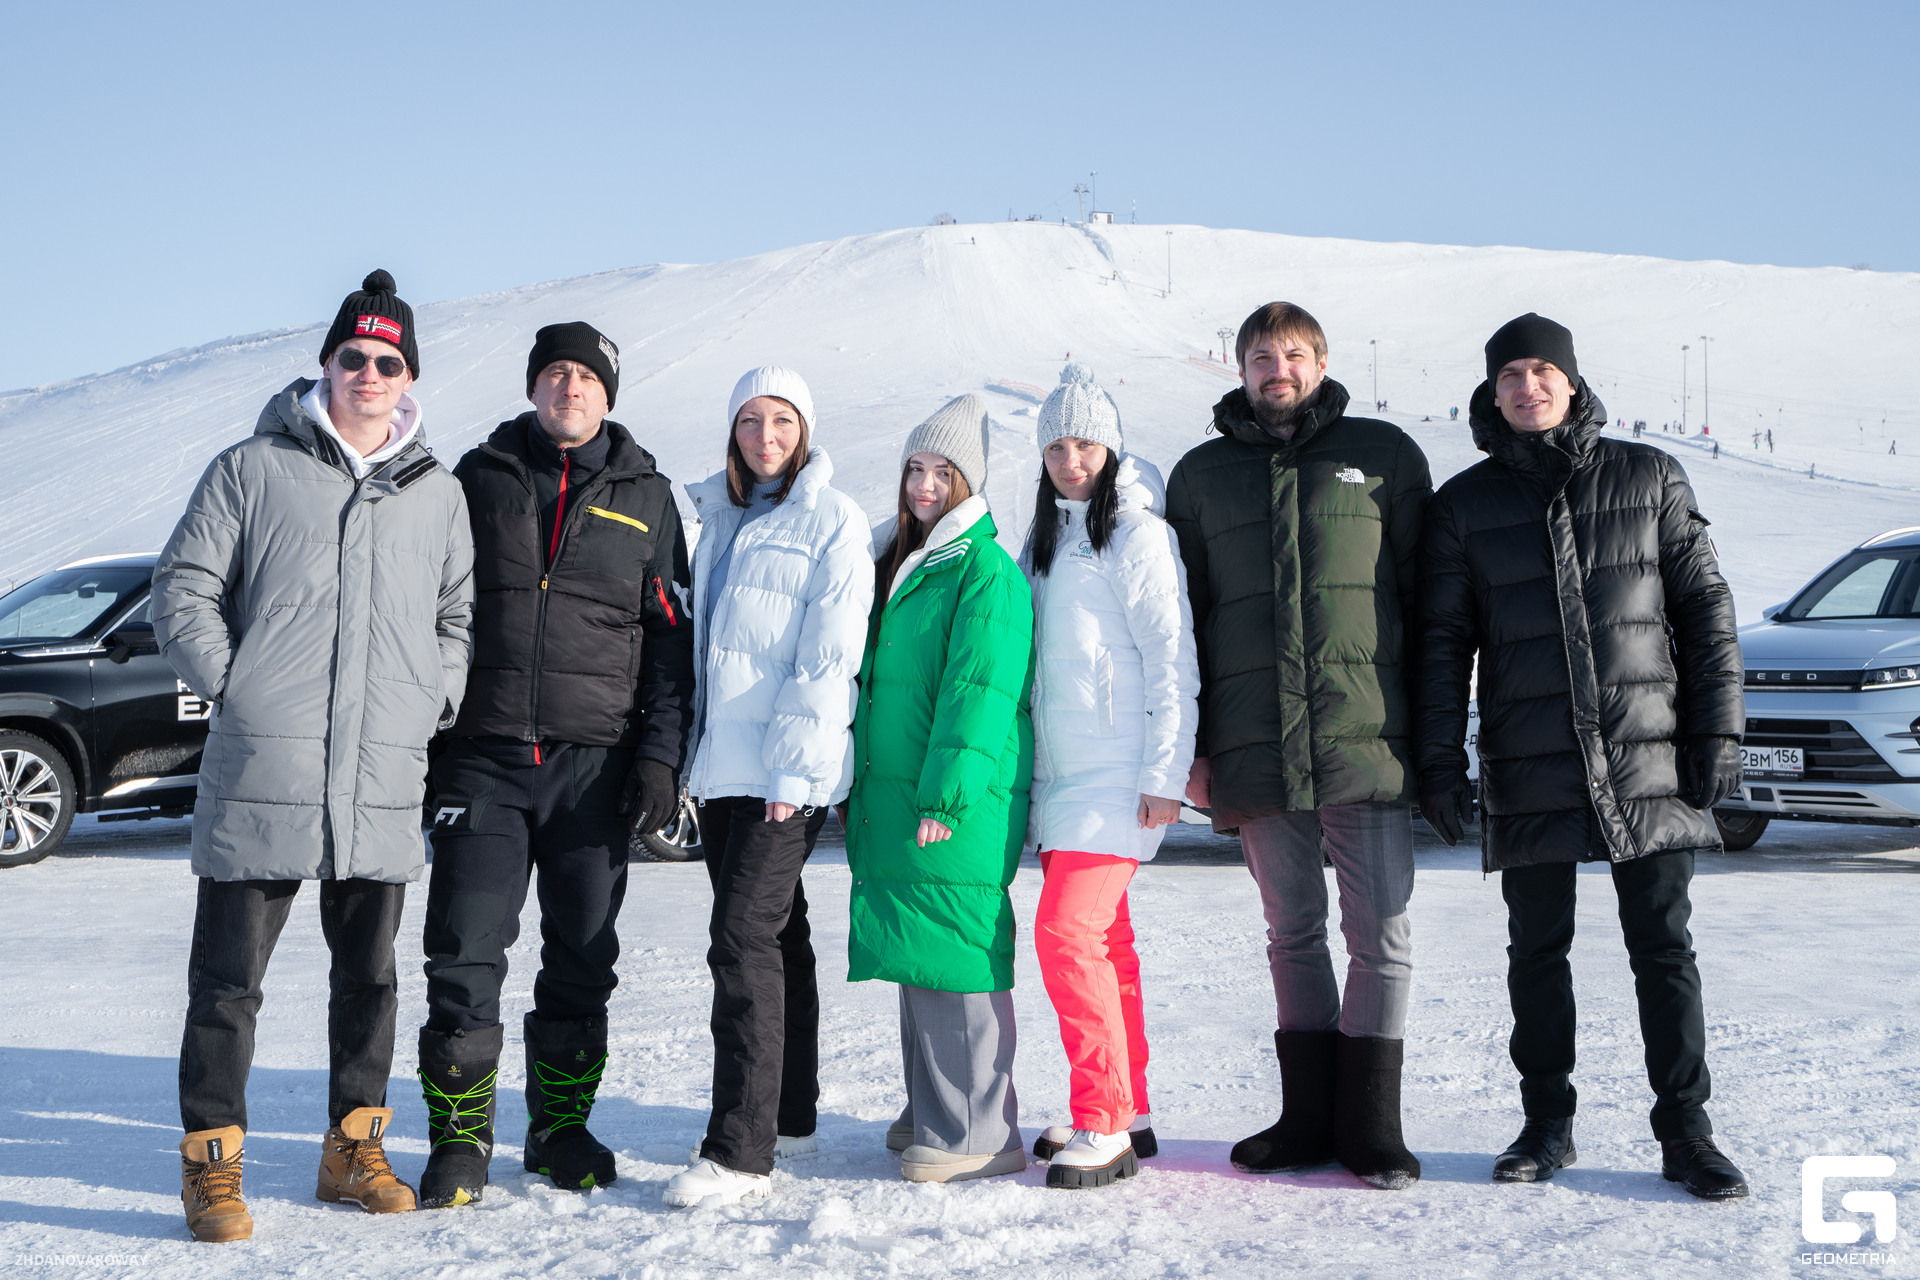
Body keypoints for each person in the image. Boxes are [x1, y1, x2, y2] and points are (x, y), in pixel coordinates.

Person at [155, 270, 474, 1240]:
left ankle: (352, 1150)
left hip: (380, 775)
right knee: (228, 983)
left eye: (388, 361)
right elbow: (182, 588)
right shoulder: (251, 469)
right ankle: (212, 1166)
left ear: (409, 377)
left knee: (369, 979)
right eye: (353, 357)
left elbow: (456, 616)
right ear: (326, 364)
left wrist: (431, 697)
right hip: (266, 767)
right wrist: (239, 684)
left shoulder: (437, 492)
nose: (369, 374)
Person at [1414, 313, 1749, 1199]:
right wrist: (1439, 762)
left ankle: (1687, 1132)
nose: (1526, 387)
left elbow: (1706, 610)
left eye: (1541, 370)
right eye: (1509, 376)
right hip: (1531, 757)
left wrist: (1719, 731)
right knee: (1537, 951)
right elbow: (1442, 645)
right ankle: (1545, 1124)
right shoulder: (1464, 505)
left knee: (1663, 948)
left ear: (1570, 379)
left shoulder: (1650, 476)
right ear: (1491, 393)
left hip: (1650, 753)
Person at [417, 322, 694, 1206]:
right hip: (483, 759)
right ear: (534, 384)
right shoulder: (476, 478)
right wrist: (425, 746)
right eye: (557, 373)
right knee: (463, 951)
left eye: (587, 377)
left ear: (609, 394)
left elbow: (669, 644)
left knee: (581, 954)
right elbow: (427, 610)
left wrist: (660, 759)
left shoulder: (648, 497)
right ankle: (462, 1140)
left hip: (593, 769)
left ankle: (559, 1129)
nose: (570, 388)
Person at [1166, 301, 1432, 1190]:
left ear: (1320, 363)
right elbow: (1184, 623)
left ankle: (1372, 1128)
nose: (1275, 370)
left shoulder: (1386, 456)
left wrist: (1431, 733)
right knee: (1291, 931)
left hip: (1365, 737)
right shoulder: (1200, 476)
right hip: (1254, 739)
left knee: (1380, 931)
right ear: (1239, 369)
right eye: (1259, 357)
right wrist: (1195, 748)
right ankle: (1307, 1119)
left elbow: (1427, 602)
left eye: (1292, 355)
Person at [662, 368, 873, 1207]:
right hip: (725, 769)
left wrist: (795, 769)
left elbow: (830, 654)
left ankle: (739, 1152)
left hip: (785, 769)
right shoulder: (721, 516)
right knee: (779, 934)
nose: (765, 436)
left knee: (741, 938)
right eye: (750, 420)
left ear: (805, 429)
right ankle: (789, 1114)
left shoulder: (832, 517)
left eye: (781, 419)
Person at [846, 395, 1035, 1184]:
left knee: (956, 950)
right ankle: (933, 1110)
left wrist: (946, 797)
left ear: (970, 481)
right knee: (919, 948)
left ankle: (979, 1132)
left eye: (942, 472)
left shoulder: (984, 570)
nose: (924, 485)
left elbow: (978, 692)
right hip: (902, 792)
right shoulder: (911, 560)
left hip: (954, 798)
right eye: (915, 469)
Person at [1020, 366, 1199, 1190]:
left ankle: (1103, 1118)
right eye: (1056, 446)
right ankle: (1129, 1105)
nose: (1071, 460)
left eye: (1085, 444)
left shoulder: (1137, 535)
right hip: (1065, 781)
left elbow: (1171, 660)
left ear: (1112, 450)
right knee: (1107, 944)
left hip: (1118, 777)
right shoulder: (1047, 541)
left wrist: (1166, 772)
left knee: (1066, 934)